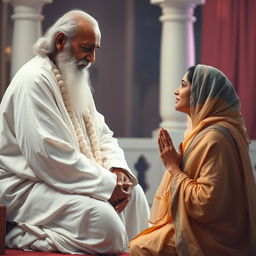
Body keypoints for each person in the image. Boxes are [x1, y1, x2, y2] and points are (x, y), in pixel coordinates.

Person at [0, 10, 150, 255]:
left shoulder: (73, 76)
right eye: (86, 48)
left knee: (136, 199)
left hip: (65, 179)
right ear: (60, 41)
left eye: (95, 50)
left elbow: (101, 133)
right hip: (26, 185)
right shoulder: (33, 80)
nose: (91, 58)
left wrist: (118, 170)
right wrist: (106, 185)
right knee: (106, 225)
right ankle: (19, 234)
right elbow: (48, 156)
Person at [129, 65, 256, 255]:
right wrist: (180, 164)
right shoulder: (202, 133)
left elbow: (206, 204)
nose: (176, 91)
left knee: (142, 247)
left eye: (183, 85)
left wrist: (174, 169)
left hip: (217, 236)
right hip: (205, 227)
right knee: (143, 241)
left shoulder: (216, 138)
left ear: (201, 93)